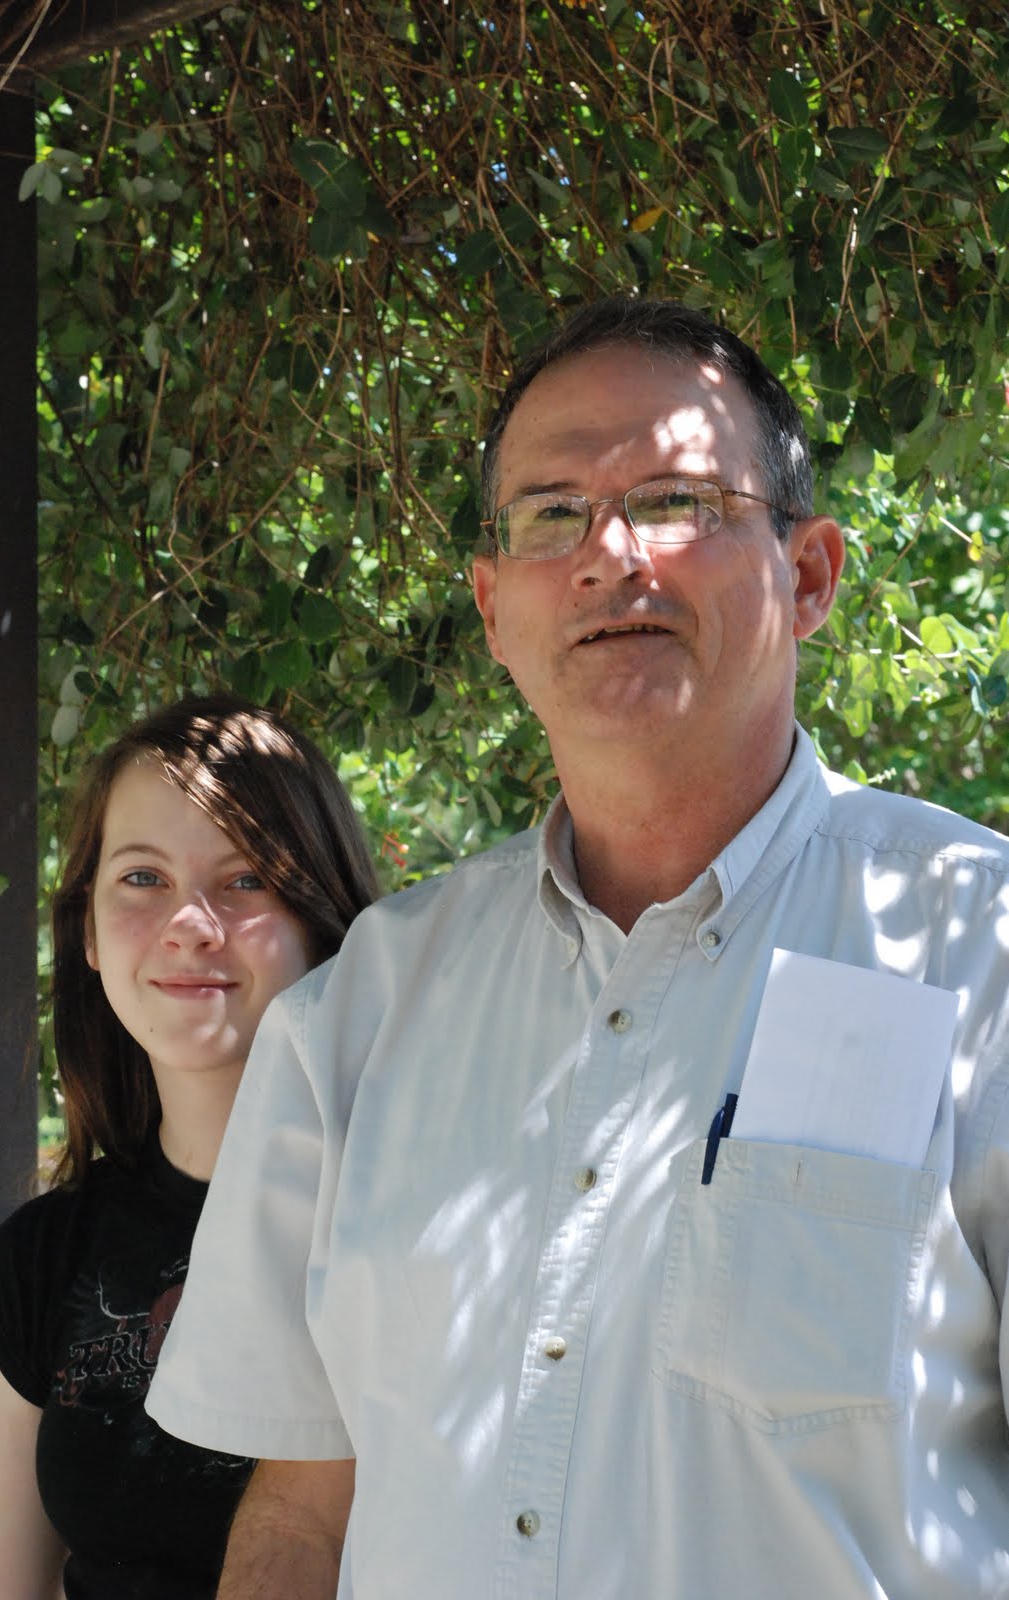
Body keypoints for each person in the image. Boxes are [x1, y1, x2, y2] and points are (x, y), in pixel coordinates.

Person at [146, 300, 1009, 1599]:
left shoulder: (974, 952)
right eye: (552, 512)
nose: (609, 553)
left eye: (676, 500)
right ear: (494, 609)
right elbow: (304, 1516)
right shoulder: (361, 1012)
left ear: (810, 575)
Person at [0, 695, 377, 1600]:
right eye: (143, 877)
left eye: (247, 879)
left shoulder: (419, 1219)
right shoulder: (36, 1265)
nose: (191, 922)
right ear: (88, 933)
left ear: (322, 917)